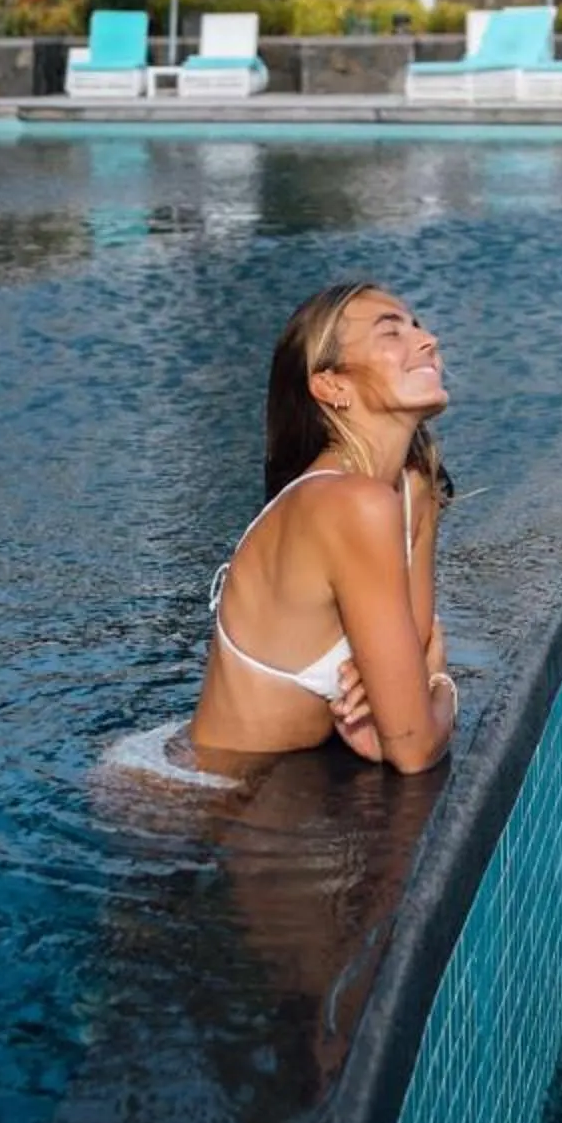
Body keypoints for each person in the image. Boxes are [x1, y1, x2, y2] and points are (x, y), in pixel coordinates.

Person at [187, 282, 457, 776]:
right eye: (390, 332)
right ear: (330, 385)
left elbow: (413, 656)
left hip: (267, 786)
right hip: (192, 798)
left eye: (417, 326)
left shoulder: (413, 487)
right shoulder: (350, 504)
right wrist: (442, 685)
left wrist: (421, 679)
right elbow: (413, 746)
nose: (428, 341)